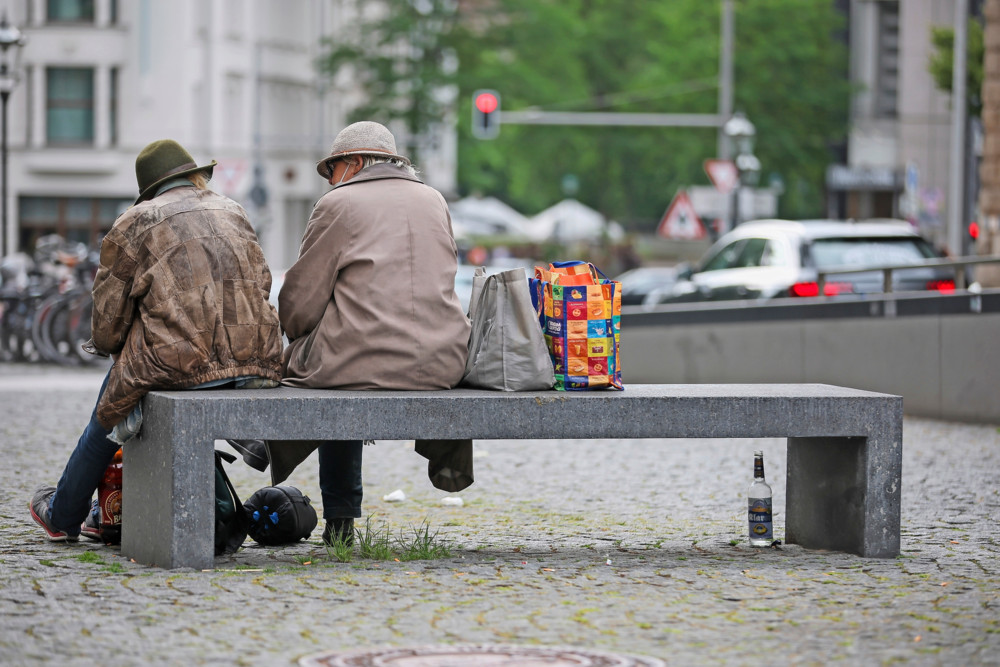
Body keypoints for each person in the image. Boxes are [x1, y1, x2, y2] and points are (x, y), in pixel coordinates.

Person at [29, 139, 284, 542]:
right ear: (195, 176)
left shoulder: (134, 221)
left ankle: (63, 515)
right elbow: (261, 284)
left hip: (180, 363)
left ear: (147, 190)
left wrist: (121, 344)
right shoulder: (232, 209)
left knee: (110, 407)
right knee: (135, 378)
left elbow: (108, 321)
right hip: (258, 357)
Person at [274, 121, 471, 546]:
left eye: (332, 171)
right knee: (341, 355)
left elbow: (301, 299)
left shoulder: (339, 204)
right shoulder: (434, 199)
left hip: (361, 361)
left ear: (356, 163)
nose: (330, 181)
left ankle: (340, 516)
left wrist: (298, 334)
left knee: (325, 367)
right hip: (444, 361)